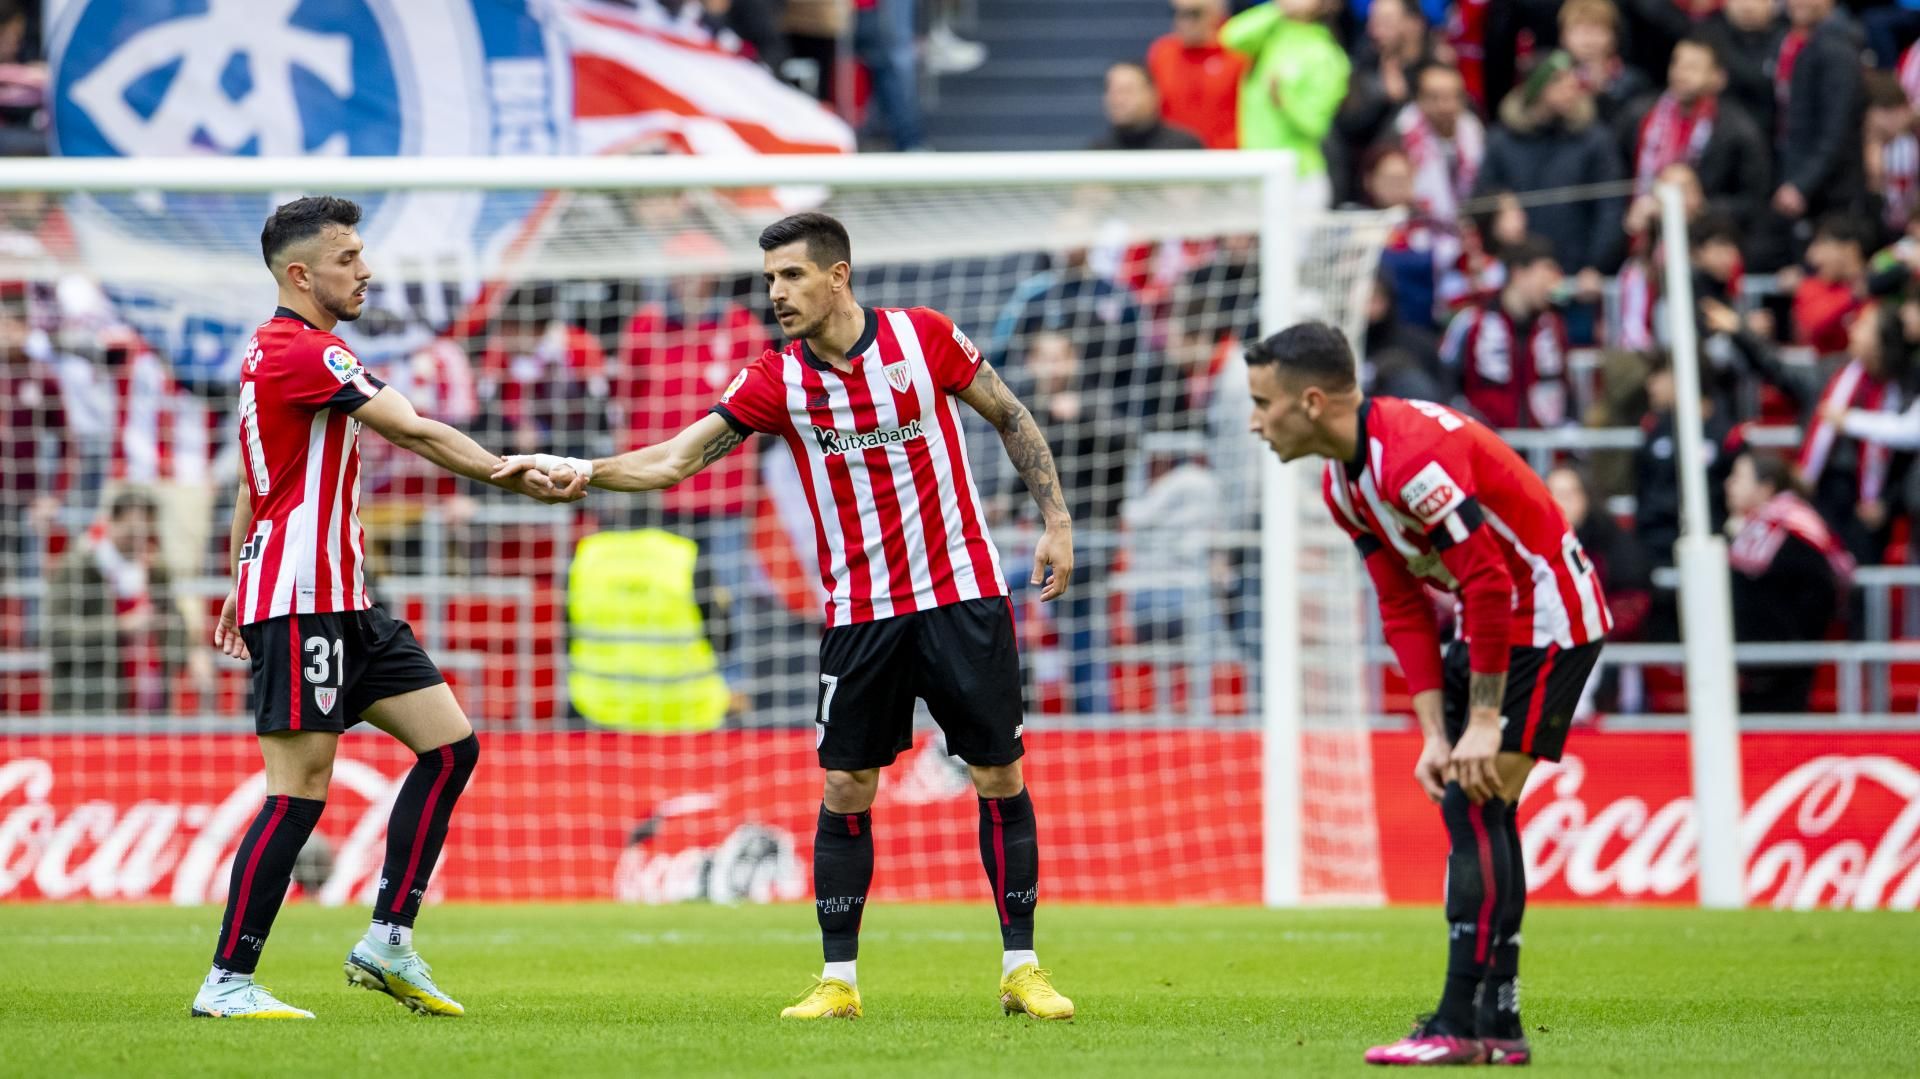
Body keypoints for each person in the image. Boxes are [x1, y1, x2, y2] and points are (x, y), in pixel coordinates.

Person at [499, 212, 1077, 1022]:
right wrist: (582, 472)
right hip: (861, 609)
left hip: (961, 592)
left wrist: (1056, 521)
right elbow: (675, 457)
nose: (776, 292)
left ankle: (1022, 966)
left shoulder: (925, 337)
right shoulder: (775, 378)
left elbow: (1009, 415)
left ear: (838, 276)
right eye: (769, 278)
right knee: (846, 783)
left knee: (998, 773)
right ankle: (838, 979)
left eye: (792, 276)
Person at [190, 197, 584, 1021]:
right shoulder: (302, 350)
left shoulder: (283, 355)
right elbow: (415, 430)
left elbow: (250, 481)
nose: (365, 269)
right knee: (298, 787)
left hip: (345, 596)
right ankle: (227, 979)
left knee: (449, 747)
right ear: (301, 273)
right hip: (303, 598)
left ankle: (389, 937)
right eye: (349, 257)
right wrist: (509, 469)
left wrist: (233, 575)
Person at [1242, 321, 1609, 1067]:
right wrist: (1436, 732)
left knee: (1472, 803)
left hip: (1544, 612)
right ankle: (1494, 1023)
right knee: (1473, 796)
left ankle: (1459, 1021)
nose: (1255, 420)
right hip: (1492, 618)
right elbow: (1404, 605)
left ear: (1310, 402)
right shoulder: (1343, 484)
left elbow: (1489, 578)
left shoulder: (1409, 459)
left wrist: (1480, 719)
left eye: (1261, 402)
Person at [1476, 51, 1626, 304]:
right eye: (1558, 81)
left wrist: (1596, 265)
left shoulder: (1595, 140)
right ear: (1535, 89)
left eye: (1572, 80)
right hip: (1518, 278)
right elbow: (1484, 201)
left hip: (1577, 278)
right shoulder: (1502, 141)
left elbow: (1610, 208)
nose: (1571, 88)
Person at [45, 489, 202, 714]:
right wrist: (122, 626)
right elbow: (55, 635)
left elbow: (175, 626)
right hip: (87, 707)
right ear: (110, 523)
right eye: (130, 533)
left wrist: (189, 650)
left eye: (144, 534)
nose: (137, 542)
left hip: (150, 707)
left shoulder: (155, 571)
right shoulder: (78, 568)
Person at [1724, 449, 1853, 713]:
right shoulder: (1748, 530)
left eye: (1738, 478)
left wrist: (1786, 643)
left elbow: (1819, 593)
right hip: (1751, 666)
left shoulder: (1795, 530)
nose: (1729, 485)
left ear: (1765, 488)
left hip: (1782, 667)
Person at [1617, 36, 1771, 242]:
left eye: (1692, 67)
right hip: (1639, 244)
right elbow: (1615, 175)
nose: (1680, 73)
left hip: (1705, 243)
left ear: (1719, 78)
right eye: (1676, 63)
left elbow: (1753, 201)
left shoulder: (1738, 131)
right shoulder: (1638, 115)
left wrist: (1702, 207)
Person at [1220, 0, 1350, 200]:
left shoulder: (1327, 54)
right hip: (1253, 172)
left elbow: (1317, 125)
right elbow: (1231, 37)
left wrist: (1284, 101)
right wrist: (1278, 8)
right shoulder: (1272, 35)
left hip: (1299, 179)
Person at [1439, 236, 1572, 430]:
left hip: (1544, 451)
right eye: (1545, 275)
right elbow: (1447, 383)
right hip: (1486, 449)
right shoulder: (1472, 322)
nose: (1551, 285)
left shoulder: (1553, 326)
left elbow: (1565, 390)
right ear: (1519, 274)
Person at [1770, 0, 1866, 227]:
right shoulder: (1785, 40)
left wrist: (1802, 183)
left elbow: (1837, 129)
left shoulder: (1838, 49)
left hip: (1828, 192)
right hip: (1791, 174)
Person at [1147, 0, 1247, 150]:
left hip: (1227, 161)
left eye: (1194, 13)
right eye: (1176, 13)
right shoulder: (1162, 53)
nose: (1183, 21)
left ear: (1217, 14)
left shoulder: (1239, 52)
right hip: (1175, 159)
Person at [1559, 0, 1652, 125]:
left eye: (1597, 30)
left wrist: (1602, 92)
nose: (1588, 40)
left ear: (1614, 37)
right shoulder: (1553, 82)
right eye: (1580, 30)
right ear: (1563, 37)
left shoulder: (1633, 83)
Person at [1087, 62, 1205, 151]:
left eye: (1127, 90)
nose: (1118, 100)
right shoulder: (1097, 153)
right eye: (1112, 91)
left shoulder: (1183, 148)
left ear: (1153, 94)